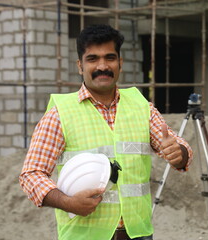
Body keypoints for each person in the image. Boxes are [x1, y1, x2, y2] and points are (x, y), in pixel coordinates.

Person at [19, 24, 192, 240]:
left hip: (137, 234)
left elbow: (178, 149)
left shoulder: (141, 107)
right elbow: (31, 175)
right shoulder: (60, 113)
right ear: (80, 66)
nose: (102, 66)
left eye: (110, 58)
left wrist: (179, 154)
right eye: (92, 59)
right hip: (85, 235)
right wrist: (68, 203)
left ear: (120, 63)